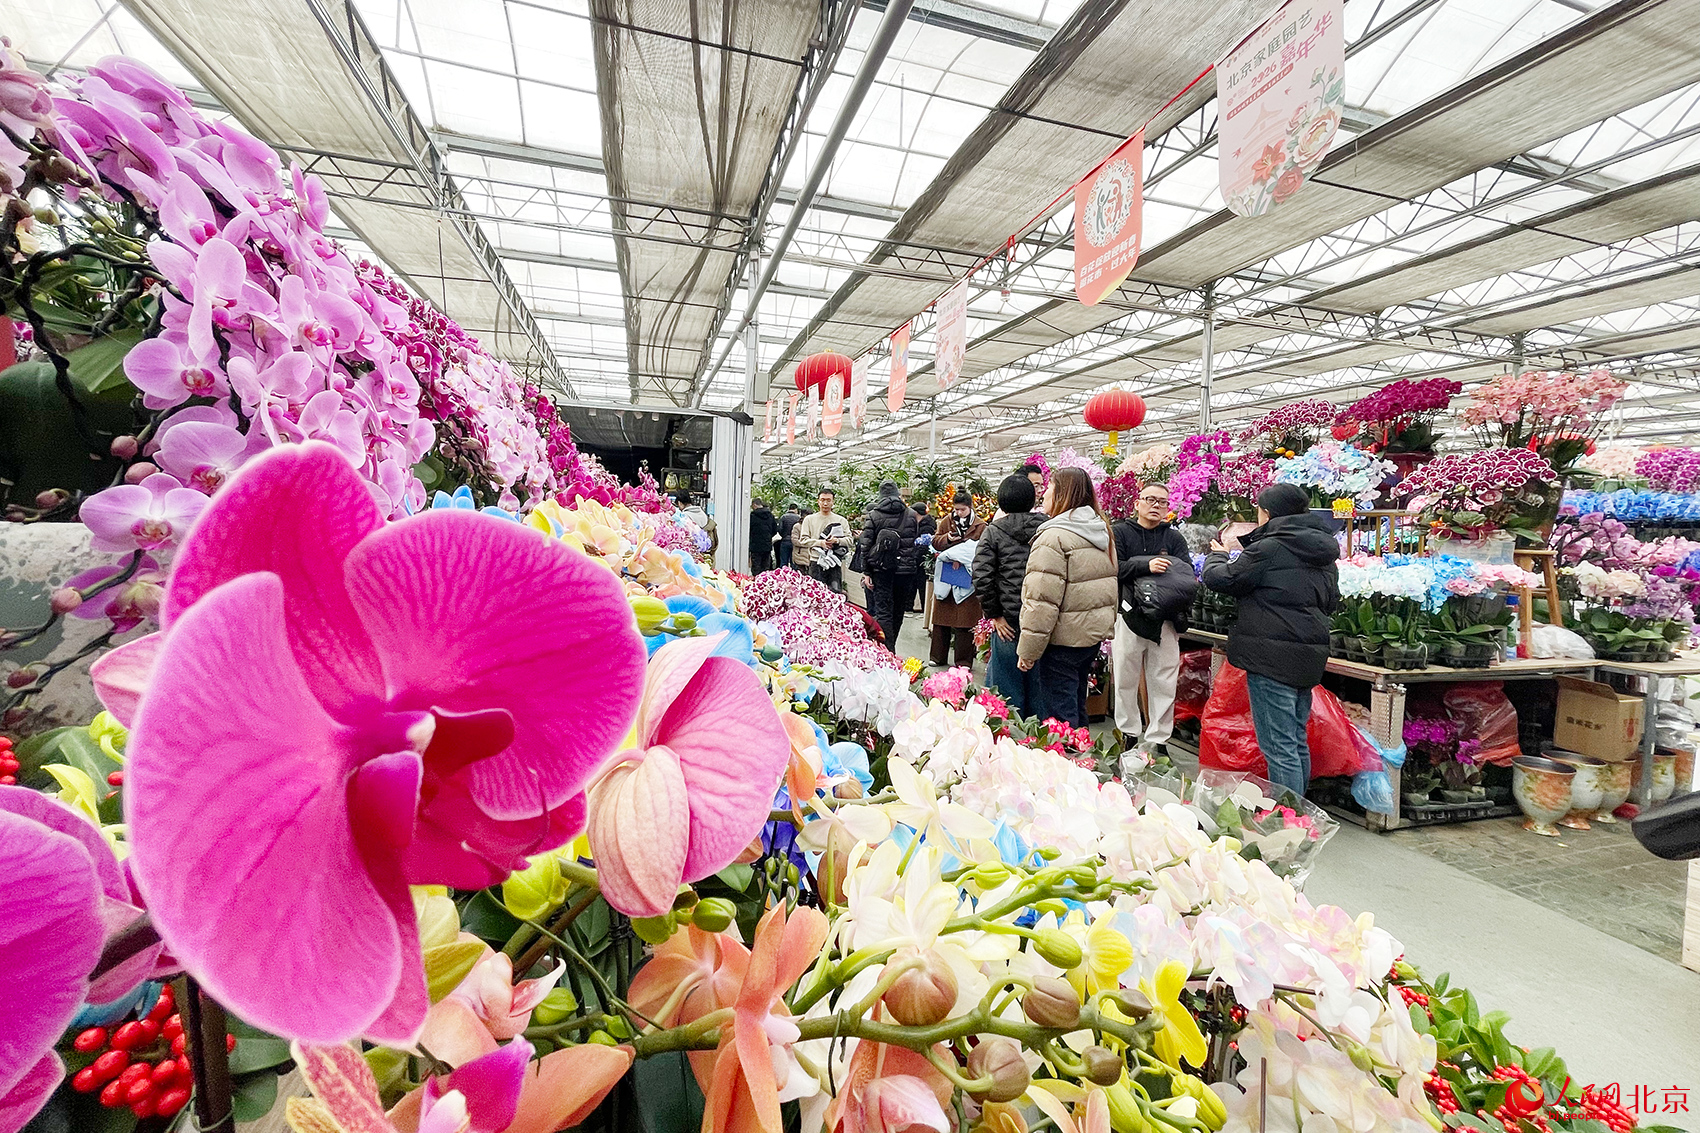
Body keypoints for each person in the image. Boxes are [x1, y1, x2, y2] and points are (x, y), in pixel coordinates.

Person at [1203, 483, 1340, 800]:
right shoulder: (1323, 553)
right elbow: (1331, 602)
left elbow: (1224, 579)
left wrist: (1217, 557)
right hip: (1308, 653)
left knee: (1278, 745)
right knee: (1294, 737)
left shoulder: (1270, 547)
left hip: (1270, 654)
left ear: (1267, 512)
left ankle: (1290, 821)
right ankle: (1302, 813)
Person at [1017, 467, 1117, 728]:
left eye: (1049, 487)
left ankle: (1066, 764)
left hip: (1061, 641)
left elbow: (1041, 600)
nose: (1044, 493)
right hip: (1087, 638)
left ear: (1063, 494)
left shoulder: (1053, 536)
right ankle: (1084, 761)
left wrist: (1028, 650)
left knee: (1059, 719)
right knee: (1074, 705)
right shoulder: (1100, 530)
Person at [1110, 481, 1193, 760]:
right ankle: (1129, 732)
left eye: (1162, 502)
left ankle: (1159, 738)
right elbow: (1114, 567)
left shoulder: (1174, 538)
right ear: (1137, 503)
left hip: (1166, 619)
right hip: (1129, 614)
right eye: (1151, 500)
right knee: (1125, 675)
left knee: (1164, 680)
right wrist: (1146, 564)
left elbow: (1186, 573)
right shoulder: (1120, 532)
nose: (1156, 506)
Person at [973, 475, 1045, 717]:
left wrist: (995, 615)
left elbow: (982, 576)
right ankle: (1039, 745)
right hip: (1042, 621)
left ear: (1001, 502)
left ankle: (1010, 743)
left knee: (1006, 690)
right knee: (1039, 688)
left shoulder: (993, 532)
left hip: (1009, 622)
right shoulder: (1047, 529)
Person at [858, 481, 922, 650]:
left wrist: (867, 572)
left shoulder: (873, 515)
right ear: (897, 494)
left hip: (882, 570)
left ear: (881, 496)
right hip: (906, 571)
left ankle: (888, 649)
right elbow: (914, 541)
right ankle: (891, 645)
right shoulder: (911, 514)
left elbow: (866, 546)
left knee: (883, 611)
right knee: (898, 611)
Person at [929, 490, 985, 667]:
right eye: (956, 510)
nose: (958, 513)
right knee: (941, 618)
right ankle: (937, 657)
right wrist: (947, 539)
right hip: (948, 574)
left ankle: (963, 661)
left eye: (962, 510)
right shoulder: (947, 521)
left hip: (967, 577)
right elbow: (935, 541)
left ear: (970, 507)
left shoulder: (981, 526)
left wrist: (963, 557)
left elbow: (984, 549)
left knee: (965, 620)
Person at [796, 490, 852, 593]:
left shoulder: (841, 520)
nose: (825, 503)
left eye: (828, 500)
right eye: (822, 500)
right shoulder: (809, 519)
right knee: (815, 594)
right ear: (818, 502)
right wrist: (820, 543)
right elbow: (803, 540)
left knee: (835, 593)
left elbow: (849, 540)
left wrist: (837, 540)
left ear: (833, 502)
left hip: (834, 562)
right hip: (816, 561)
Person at [749, 497, 778, 574]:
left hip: (755, 545)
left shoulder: (752, 516)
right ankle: (765, 582)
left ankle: (755, 582)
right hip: (767, 545)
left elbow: (748, 530)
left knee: (756, 566)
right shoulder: (770, 515)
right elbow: (775, 529)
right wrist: (768, 536)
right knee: (766, 566)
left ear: (754, 505)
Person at [778, 502, 801, 569]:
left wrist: (783, 536)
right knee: (793, 562)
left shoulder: (783, 517)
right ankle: (793, 576)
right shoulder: (798, 518)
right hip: (794, 542)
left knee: (783, 561)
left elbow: (780, 528)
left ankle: (782, 575)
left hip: (785, 541)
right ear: (796, 509)